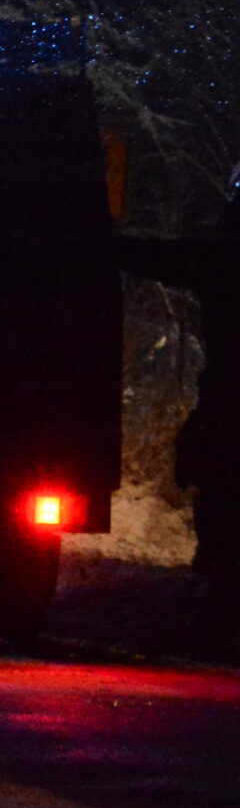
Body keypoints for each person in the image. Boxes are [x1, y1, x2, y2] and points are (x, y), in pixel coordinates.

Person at [121, 183, 240, 643]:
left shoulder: (223, 257)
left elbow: (171, 258)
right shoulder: (221, 257)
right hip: (227, 407)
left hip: (230, 408)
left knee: (223, 506)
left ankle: (222, 612)